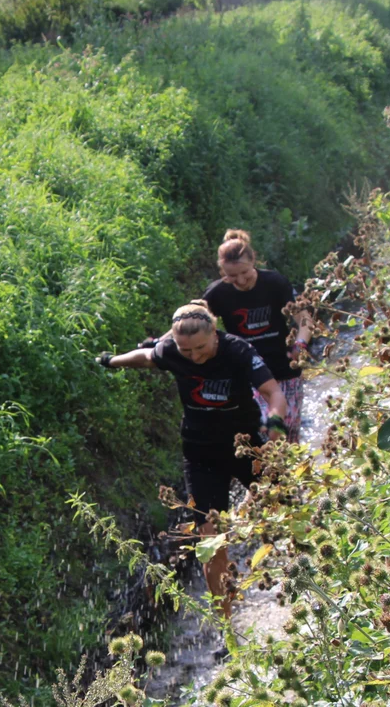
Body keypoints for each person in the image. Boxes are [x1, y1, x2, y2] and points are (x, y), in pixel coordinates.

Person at [97, 301, 288, 617]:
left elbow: (274, 393)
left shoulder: (238, 351)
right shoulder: (173, 350)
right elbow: (145, 358)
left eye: (201, 348)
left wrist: (276, 423)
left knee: (282, 509)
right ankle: (227, 628)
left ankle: (308, 584)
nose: (195, 357)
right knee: (210, 541)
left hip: (247, 448)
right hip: (201, 454)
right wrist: (111, 361)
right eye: (187, 352)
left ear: (215, 332)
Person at [201, 230, 312, 443]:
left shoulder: (275, 283)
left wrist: (301, 343)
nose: (241, 281)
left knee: (287, 431)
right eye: (232, 276)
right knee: (266, 429)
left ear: (253, 261)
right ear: (222, 271)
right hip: (248, 371)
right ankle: (269, 474)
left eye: (245, 272)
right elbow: (193, 322)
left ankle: (296, 475)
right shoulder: (217, 293)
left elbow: (305, 320)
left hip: (285, 367)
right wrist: (161, 342)